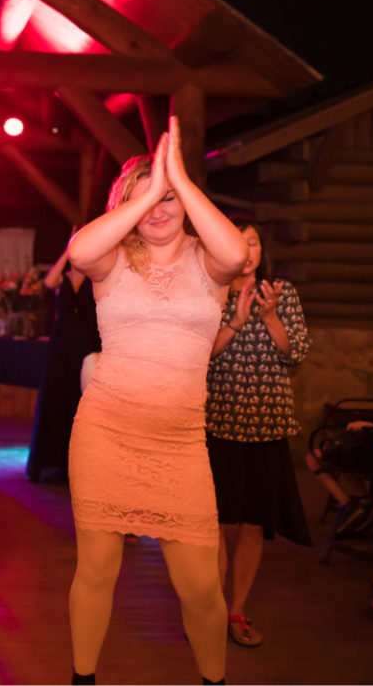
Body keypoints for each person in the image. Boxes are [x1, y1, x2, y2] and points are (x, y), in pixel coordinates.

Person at [65, 117, 248, 685]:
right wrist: (145, 194)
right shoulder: (112, 261)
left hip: (180, 445)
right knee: (96, 570)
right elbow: (79, 249)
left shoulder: (208, 262)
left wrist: (179, 181)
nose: (160, 208)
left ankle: (212, 681)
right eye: (148, 199)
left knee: (200, 588)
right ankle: (83, 680)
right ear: (128, 203)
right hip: (106, 434)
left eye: (169, 199)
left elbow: (238, 252)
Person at [205, 217, 313, 647]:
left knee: (252, 525)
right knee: (213, 523)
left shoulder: (281, 294)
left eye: (251, 243)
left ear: (261, 250)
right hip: (216, 423)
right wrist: (235, 320)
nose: (245, 251)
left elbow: (297, 352)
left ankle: (237, 611)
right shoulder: (211, 292)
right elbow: (199, 353)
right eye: (237, 242)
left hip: (265, 425)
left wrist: (269, 319)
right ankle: (210, 610)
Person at [27, 237, 100, 483]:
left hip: (87, 346)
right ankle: (45, 461)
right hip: (62, 346)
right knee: (55, 398)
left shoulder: (96, 278)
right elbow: (48, 282)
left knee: (78, 403)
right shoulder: (63, 277)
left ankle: (74, 464)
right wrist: (68, 249)